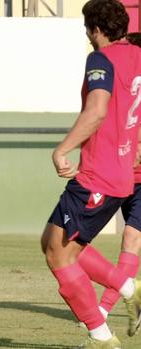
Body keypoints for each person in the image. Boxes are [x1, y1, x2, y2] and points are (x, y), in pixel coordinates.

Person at [40, 1, 141, 348]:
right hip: (120, 173)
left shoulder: (101, 58)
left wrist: (62, 149)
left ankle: (101, 337)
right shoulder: (137, 56)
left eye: (87, 28)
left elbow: (97, 109)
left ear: (95, 30)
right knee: (58, 244)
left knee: (59, 253)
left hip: (98, 176)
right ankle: (129, 288)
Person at [85, 31, 141, 337]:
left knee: (131, 238)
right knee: (71, 243)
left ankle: (104, 309)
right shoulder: (117, 85)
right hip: (118, 176)